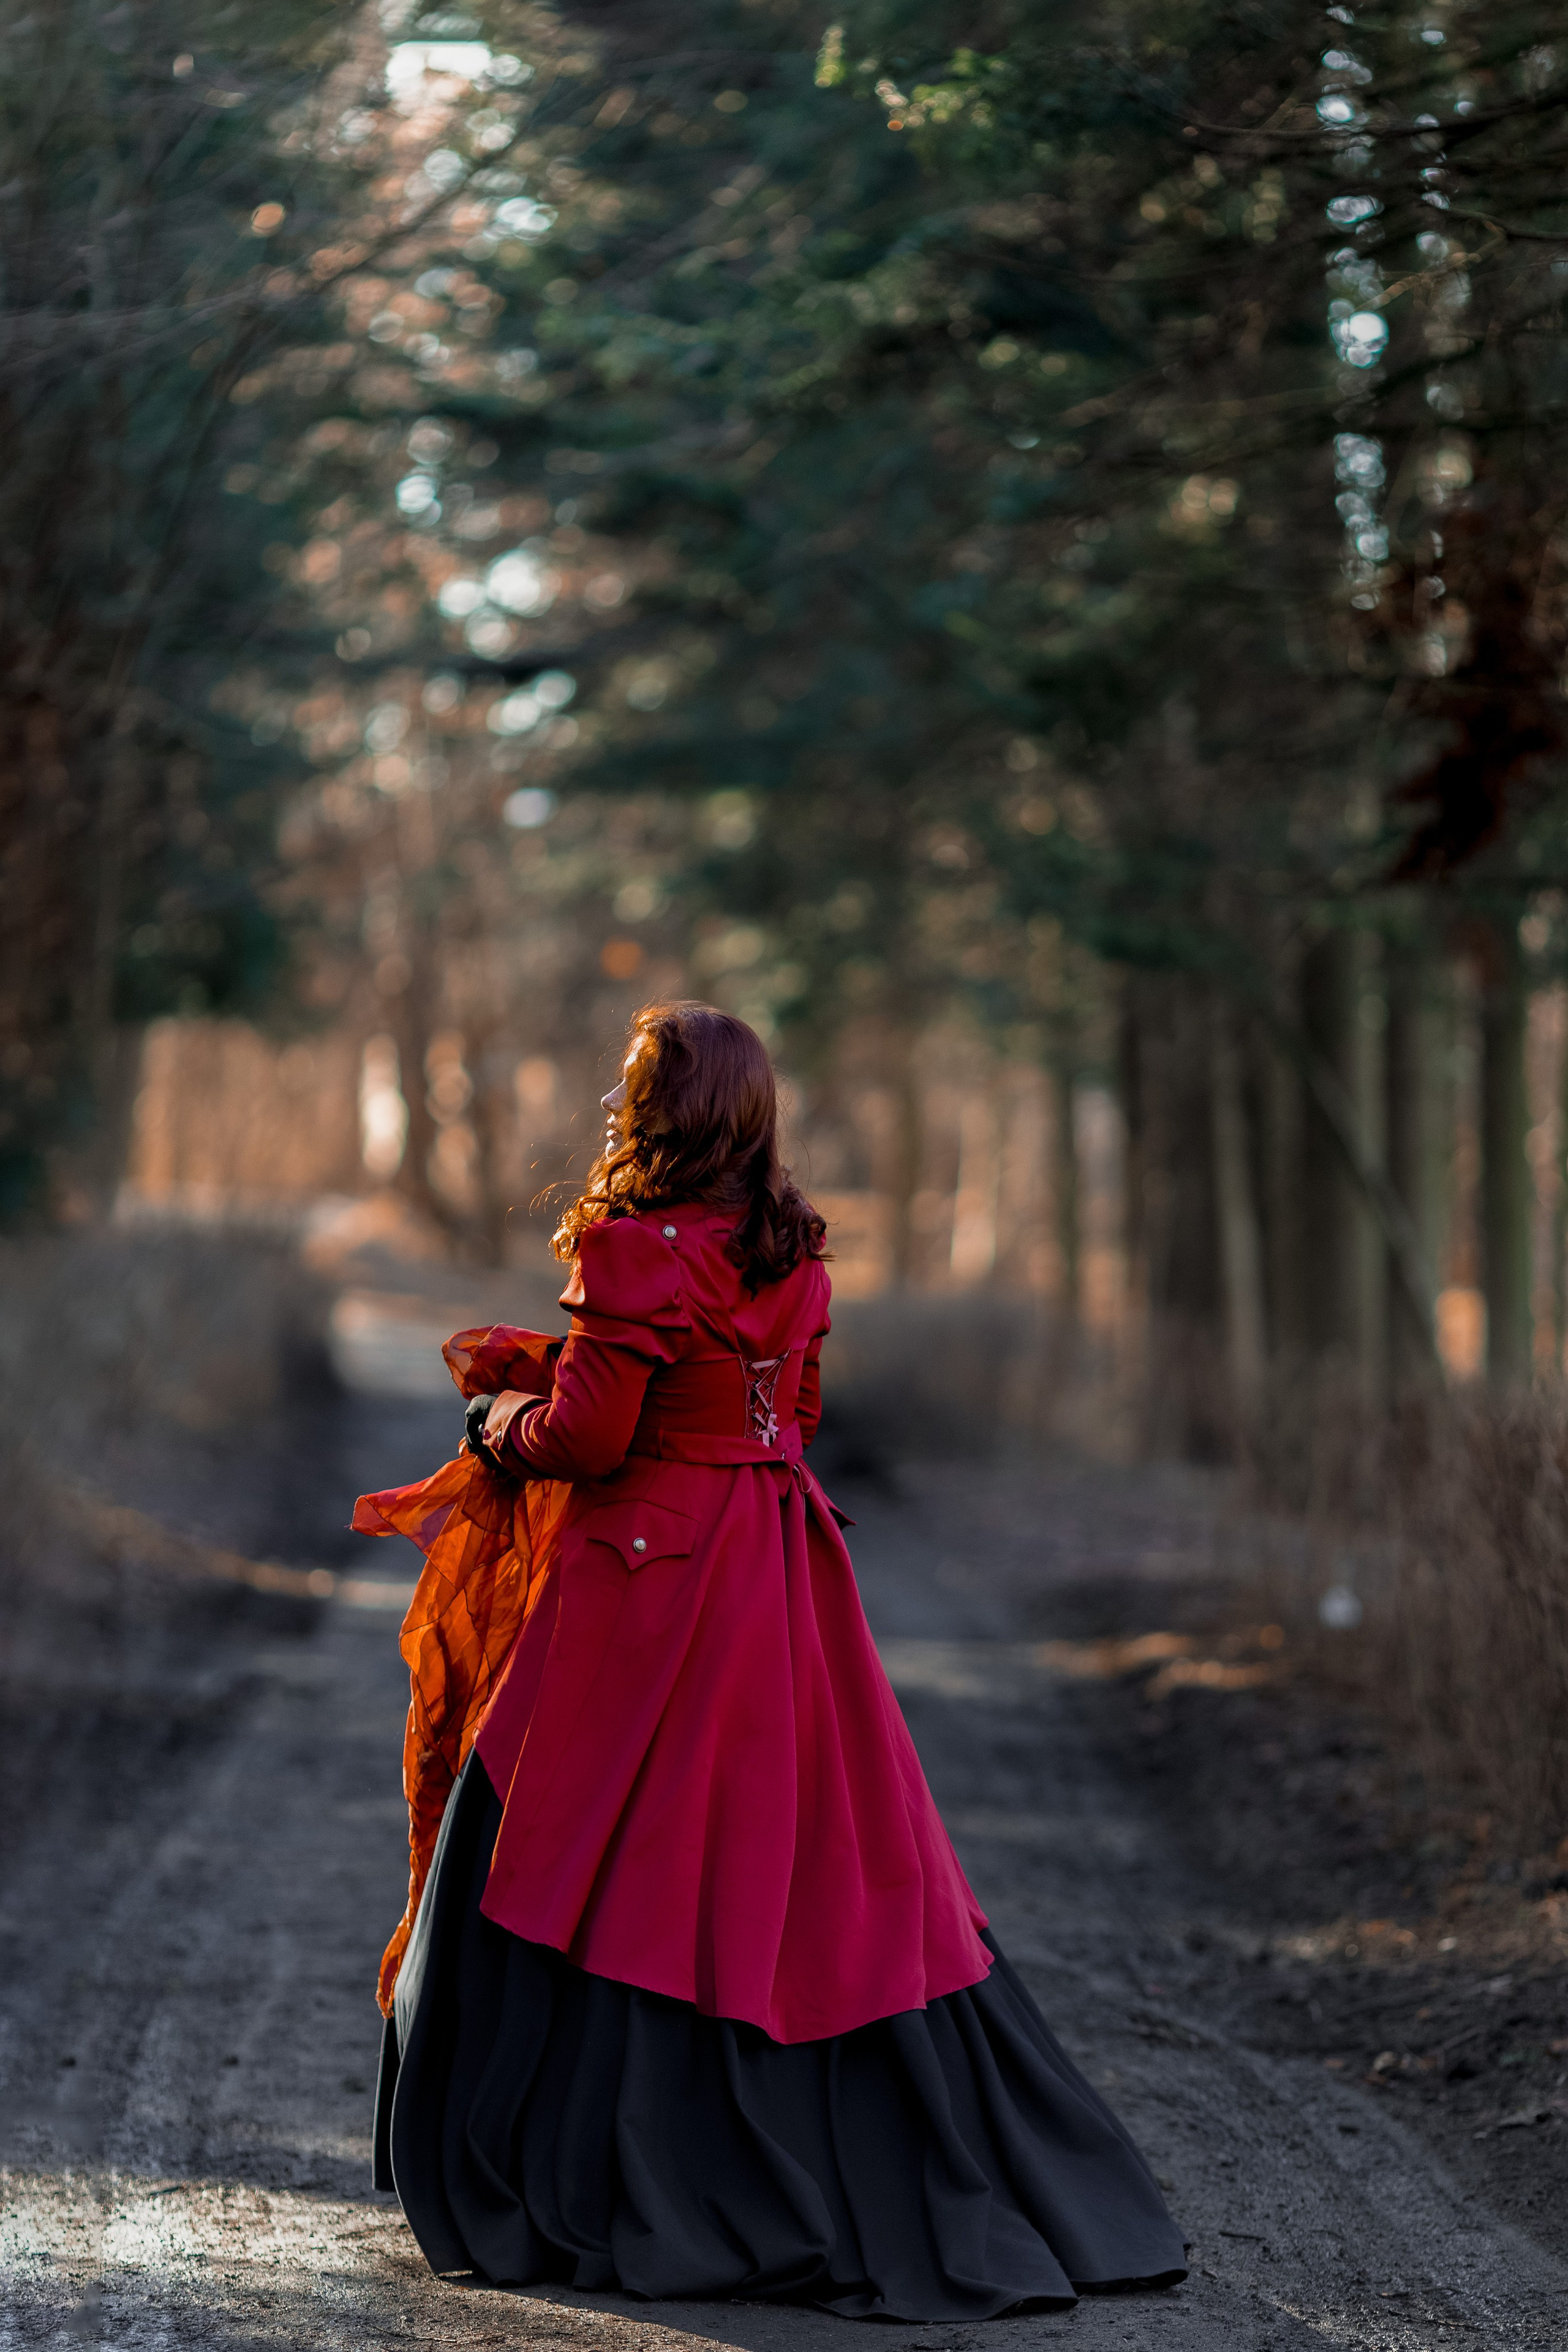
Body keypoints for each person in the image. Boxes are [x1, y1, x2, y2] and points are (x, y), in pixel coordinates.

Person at [358, 1001, 1186, 2320]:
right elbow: (790, 1418)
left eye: (635, 1085)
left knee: (571, 1846)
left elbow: (588, 1440)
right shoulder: (790, 1253)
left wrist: (497, 1418)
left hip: (644, 1584)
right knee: (798, 1857)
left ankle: (613, 2173)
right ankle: (850, 2167)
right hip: (780, 1570)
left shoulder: (633, 1249)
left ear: (659, 1108)